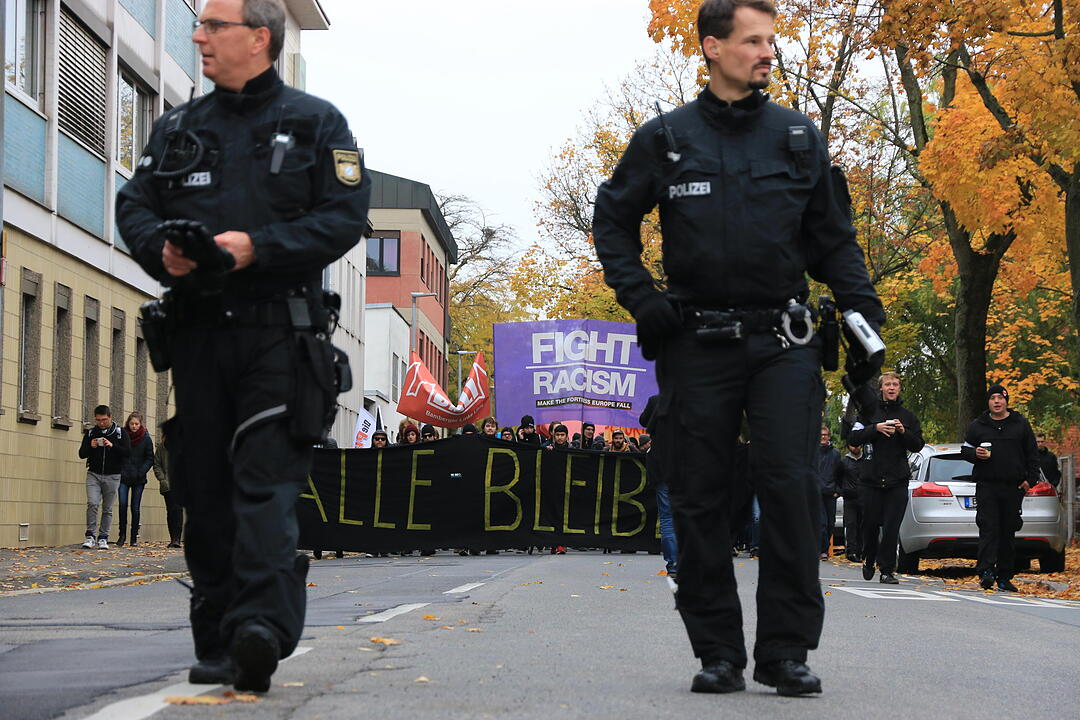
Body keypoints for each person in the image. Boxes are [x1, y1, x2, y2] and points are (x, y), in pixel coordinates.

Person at [591, 0, 884, 696]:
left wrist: (864, 316)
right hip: (695, 341)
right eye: (753, 41)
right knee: (697, 496)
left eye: (770, 41)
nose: (767, 53)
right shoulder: (665, 140)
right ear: (712, 48)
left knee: (788, 489)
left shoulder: (797, 139)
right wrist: (643, 297)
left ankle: (785, 652)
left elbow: (834, 242)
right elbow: (613, 219)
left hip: (784, 342)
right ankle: (718, 651)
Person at [114, 0, 371, 693]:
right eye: (196, 23)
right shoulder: (178, 128)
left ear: (258, 37)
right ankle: (220, 633)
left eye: (212, 25)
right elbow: (132, 202)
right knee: (206, 489)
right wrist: (158, 251)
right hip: (198, 334)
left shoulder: (316, 124)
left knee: (263, 484)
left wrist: (259, 246)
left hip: (278, 337)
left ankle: (259, 628)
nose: (197, 35)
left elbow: (345, 217)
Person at [961, 385, 1039, 593]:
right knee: (989, 529)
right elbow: (965, 450)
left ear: (1006, 401)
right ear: (988, 402)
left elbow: (1032, 454)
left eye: (1000, 398)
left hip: (1013, 487)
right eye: (992, 398)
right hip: (987, 485)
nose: (997, 401)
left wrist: (1030, 480)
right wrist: (976, 454)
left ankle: (1005, 575)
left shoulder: (1020, 424)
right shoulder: (979, 425)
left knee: (1008, 531)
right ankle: (986, 571)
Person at [848, 372, 923, 585]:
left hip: (897, 481)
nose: (891, 388)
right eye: (888, 384)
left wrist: (902, 431)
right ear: (880, 388)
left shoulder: (907, 416)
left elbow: (917, 444)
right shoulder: (868, 413)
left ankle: (887, 570)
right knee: (870, 525)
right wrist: (875, 428)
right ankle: (869, 558)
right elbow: (853, 438)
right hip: (870, 480)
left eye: (895, 384)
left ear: (900, 388)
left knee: (891, 528)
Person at [78, 405, 131, 550]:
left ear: (110, 417)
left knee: (107, 508)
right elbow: (81, 454)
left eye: (104, 420)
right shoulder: (90, 433)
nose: (101, 423)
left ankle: (103, 537)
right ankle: (90, 535)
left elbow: (127, 452)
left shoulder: (120, 433)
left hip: (113, 475)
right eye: (98, 420)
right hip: (94, 474)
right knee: (92, 503)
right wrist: (91, 446)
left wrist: (112, 445)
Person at [118, 412, 156, 546]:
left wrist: (141, 471)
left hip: (139, 478)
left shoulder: (146, 438)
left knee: (135, 506)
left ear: (141, 424)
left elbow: (150, 457)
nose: (134, 426)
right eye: (132, 424)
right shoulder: (123, 436)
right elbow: (119, 453)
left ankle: (133, 537)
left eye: (136, 424)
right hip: (124, 476)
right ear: (128, 424)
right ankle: (122, 535)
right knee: (122, 505)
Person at [153, 429, 183, 548]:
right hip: (167, 485)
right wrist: (162, 479)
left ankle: (177, 538)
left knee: (178, 510)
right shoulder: (161, 448)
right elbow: (156, 464)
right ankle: (173, 538)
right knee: (171, 511)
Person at [838, 442, 868, 563]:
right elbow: (838, 477)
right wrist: (841, 490)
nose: (855, 447)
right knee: (851, 524)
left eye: (858, 445)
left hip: (864, 497)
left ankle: (861, 551)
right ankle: (851, 551)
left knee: (863, 525)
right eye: (852, 445)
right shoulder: (844, 461)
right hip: (849, 497)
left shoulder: (866, 460)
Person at [816, 426, 842, 560]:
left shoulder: (836, 453)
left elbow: (841, 474)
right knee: (822, 523)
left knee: (831, 523)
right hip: (817, 492)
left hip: (831, 492)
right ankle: (823, 551)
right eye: (821, 435)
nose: (823, 437)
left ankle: (823, 549)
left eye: (825, 435)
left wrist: (838, 491)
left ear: (829, 437)